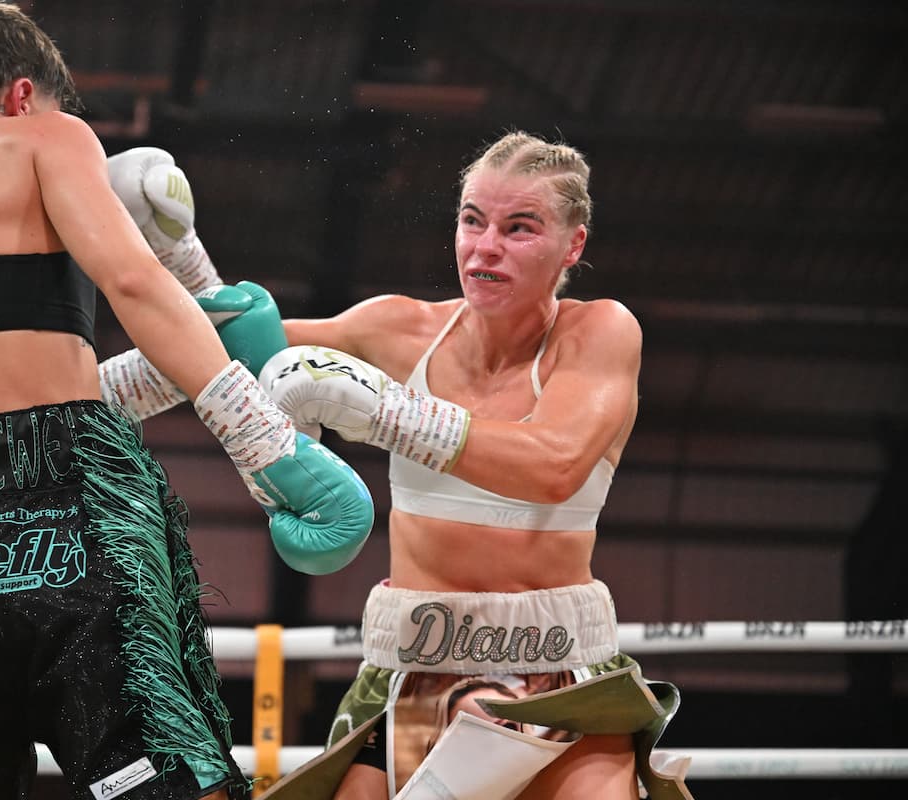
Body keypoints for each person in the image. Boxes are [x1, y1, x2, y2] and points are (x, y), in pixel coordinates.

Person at [0, 3, 373, 799]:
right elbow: (136, 283)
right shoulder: (49, 136)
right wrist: (264, 445)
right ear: (20, 93)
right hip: (69, 509)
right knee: (166, 778)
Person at [109, 132, 692, 799]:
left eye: (519, 227)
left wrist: (388, 412)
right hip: (413, 669)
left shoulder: (598, 334)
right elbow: (231, 354)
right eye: (472, 221)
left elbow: (553, 466)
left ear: (573, 245)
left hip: (561, 675)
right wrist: (176, 261)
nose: (486, 245)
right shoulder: (397, 329)